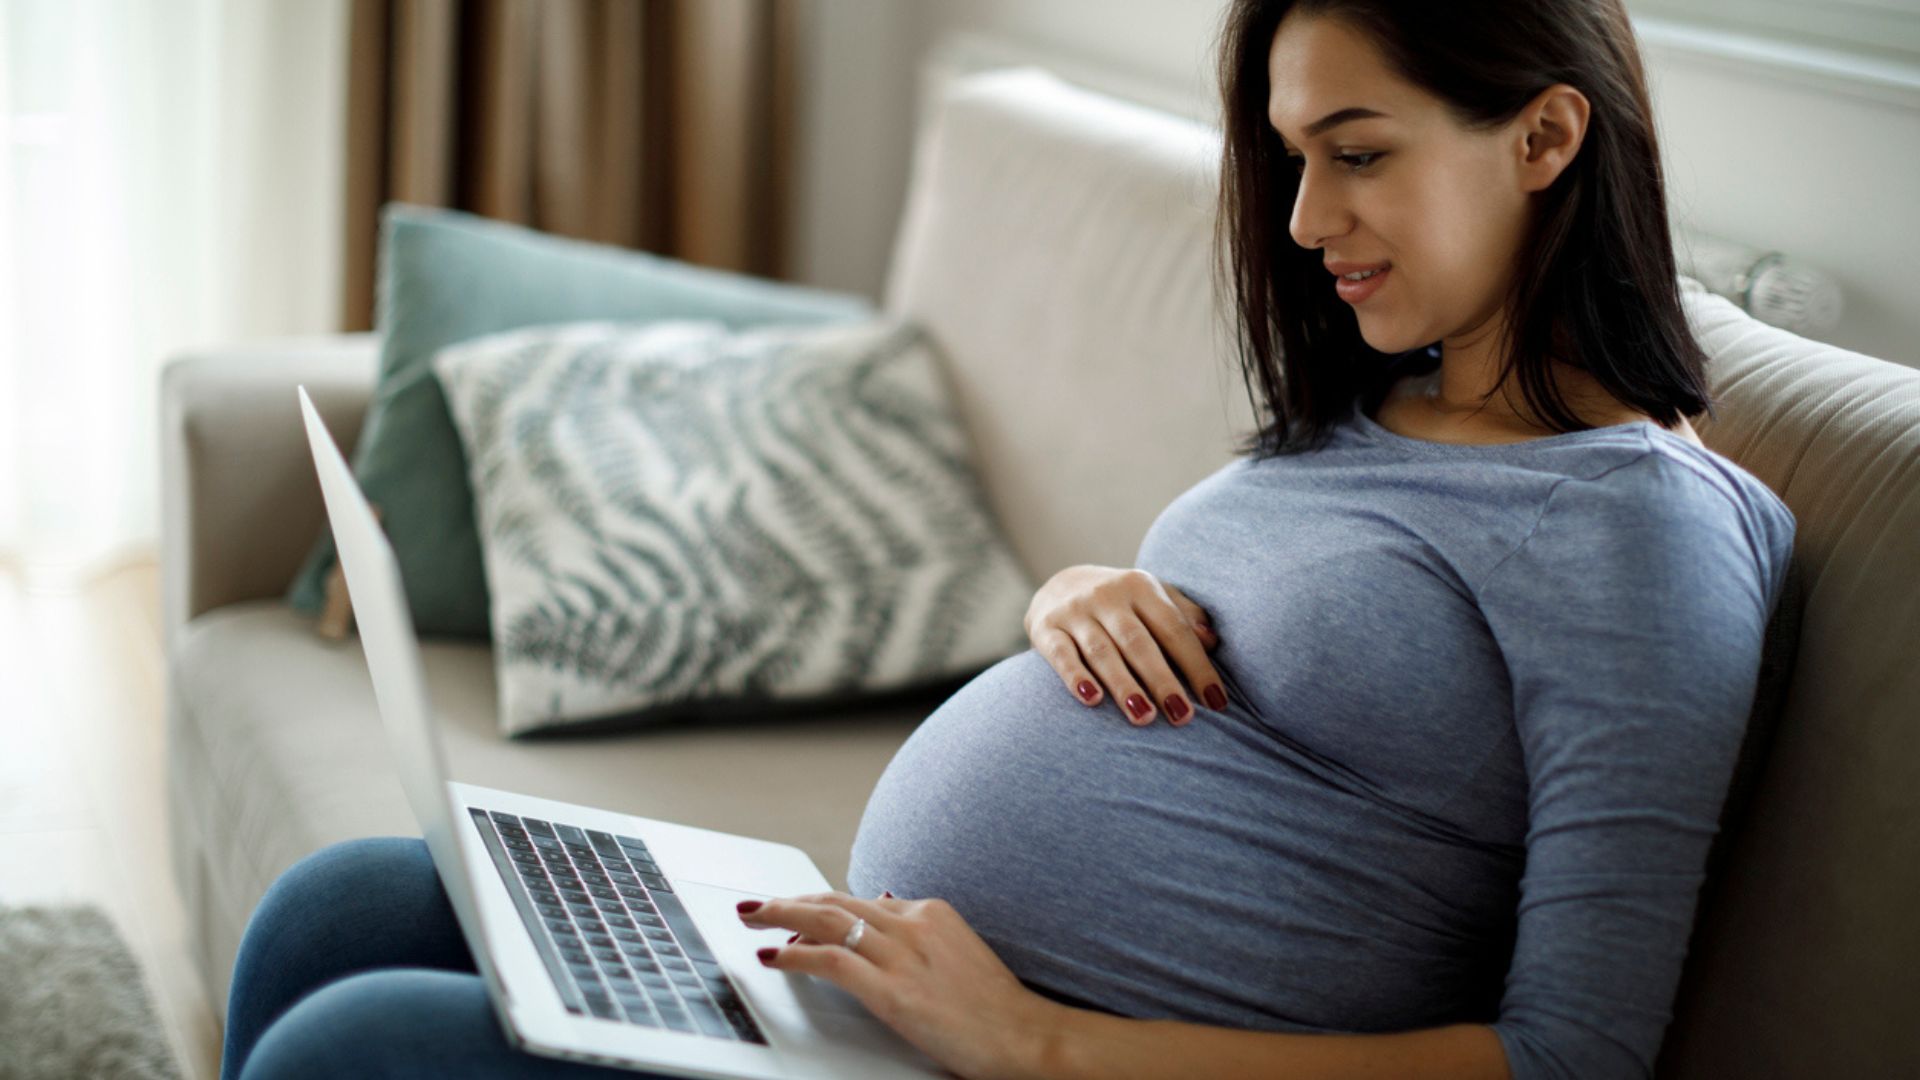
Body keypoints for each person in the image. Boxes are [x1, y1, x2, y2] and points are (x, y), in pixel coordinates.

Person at [219, 2, 1795, 1078]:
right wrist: (1076, 591)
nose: (1307, 221)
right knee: (341, 908)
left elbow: (1571, 1057)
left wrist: (1037, 1044)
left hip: (1026, 1059)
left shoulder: (1641, 536)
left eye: (1359, 152)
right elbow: (1255, 658)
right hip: (894, 983)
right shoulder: (1379, 399)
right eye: (1294, 156)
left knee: (346, 1050)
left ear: (1544, 137)